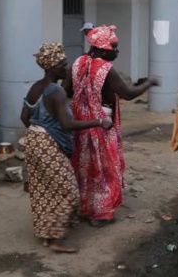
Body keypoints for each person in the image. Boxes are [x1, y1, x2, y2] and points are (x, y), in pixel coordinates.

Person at [21, 42, 113, 253]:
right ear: (52, 66)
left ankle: (47, 233)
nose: (67, 66)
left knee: (44, 190)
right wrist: (99, 122)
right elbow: (67, 125)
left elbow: (24, 116)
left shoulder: (36, 87)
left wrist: (38, 131)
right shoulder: (57, 92)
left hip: (33, 141)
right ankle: (57, 239)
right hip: (47, 144)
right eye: (63, 64)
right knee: (68, 191)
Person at [68, 25, 158, 227]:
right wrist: (149, 83)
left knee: (85, 166)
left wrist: (84, 101)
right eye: (114, 47)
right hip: (102, 124)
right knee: (103, 167)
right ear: (101, 49)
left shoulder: (77, 63)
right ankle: (101, 213)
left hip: (80, 123)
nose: (116, 51)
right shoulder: (107, 69)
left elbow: (66, 90)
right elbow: (127, 93)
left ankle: (84, 207)